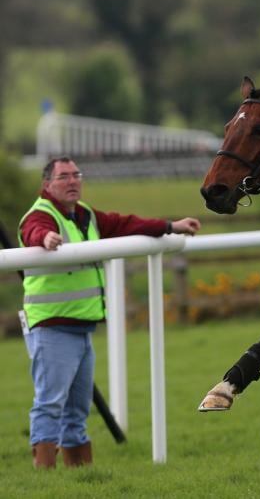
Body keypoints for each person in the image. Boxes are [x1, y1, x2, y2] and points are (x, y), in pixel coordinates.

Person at [19, 157, 201, 469]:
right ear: (47, 184)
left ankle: (80, 473)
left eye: (77, 175)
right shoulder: (40, 215)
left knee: (77, 408)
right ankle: (44, 472)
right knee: (50, 403)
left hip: (81, 327)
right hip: (51, 327)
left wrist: (170, 226)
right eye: (64, 177)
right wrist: (45, 240)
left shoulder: (86, 214)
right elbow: (33, 231)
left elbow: (126, 224)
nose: (73, 181)